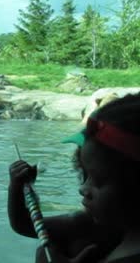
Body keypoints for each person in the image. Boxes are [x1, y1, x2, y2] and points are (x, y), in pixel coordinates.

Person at [8, 93, 140, 263]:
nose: (83, 189)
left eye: (98, 180)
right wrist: (17, 188)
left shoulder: (90, 228)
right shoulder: (90, 225)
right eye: (84, 175)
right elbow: (26, 224)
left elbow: (24, 225)